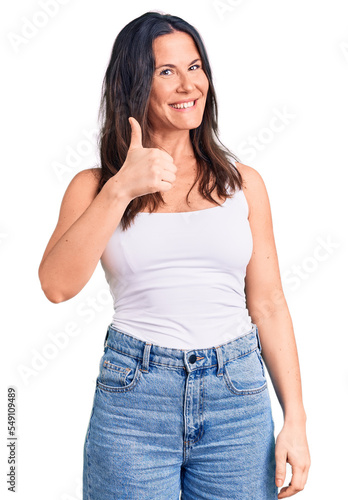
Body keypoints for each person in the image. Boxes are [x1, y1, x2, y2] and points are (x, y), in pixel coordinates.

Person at [38, 11, 310, 500]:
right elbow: (57, 286)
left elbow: (268, 303)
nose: (189, 84)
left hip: (238, 398)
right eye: (167, 71)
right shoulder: (96, 187)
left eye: (196, 66)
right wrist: (121, 188)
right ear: (134, 84)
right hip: (134, 401)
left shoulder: (242, 183)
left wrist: (296, 419)